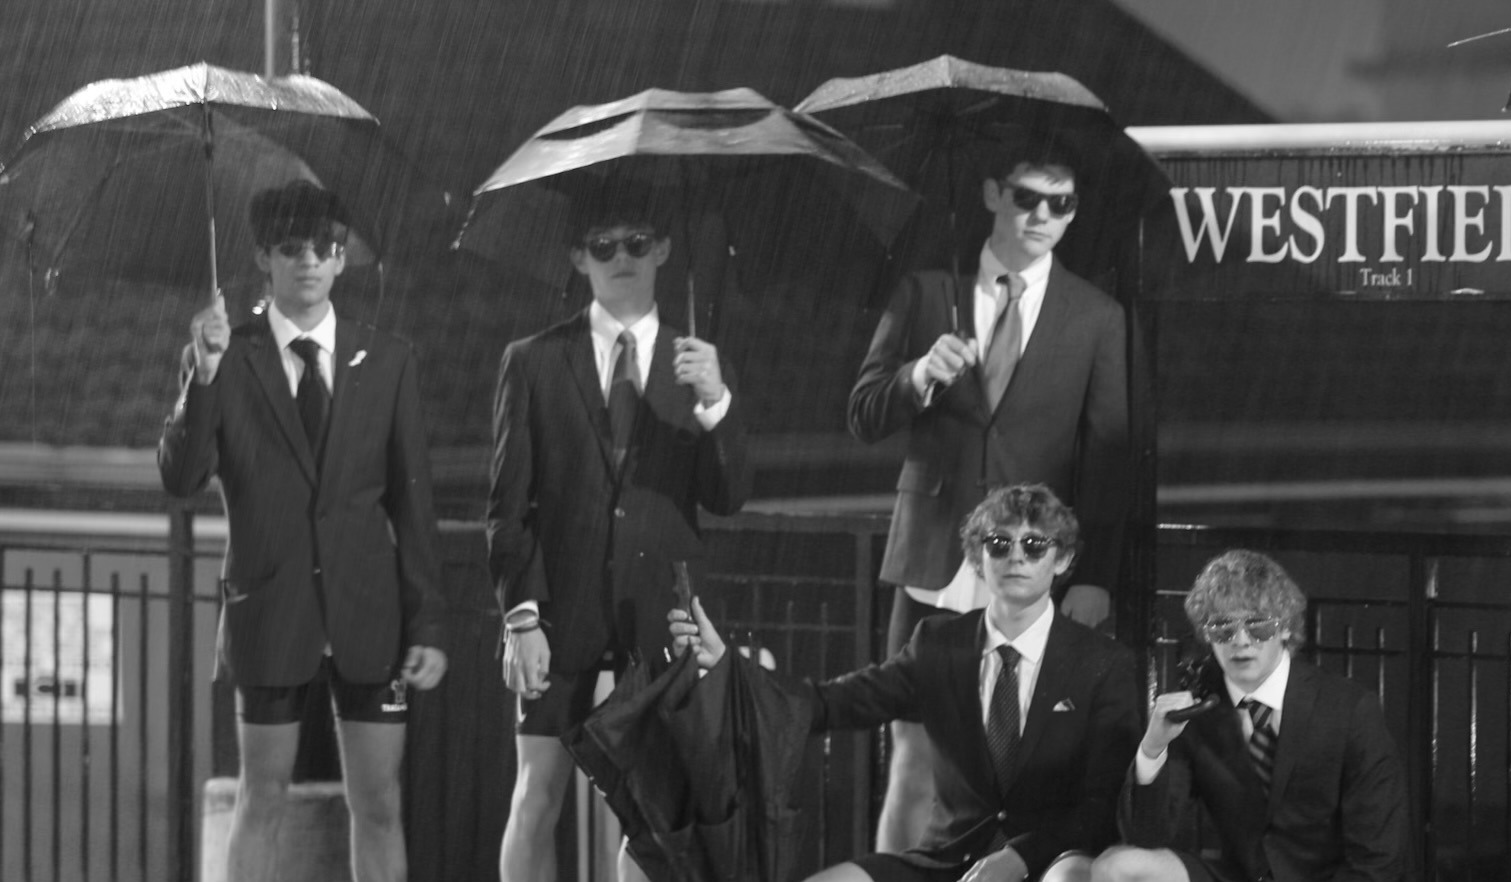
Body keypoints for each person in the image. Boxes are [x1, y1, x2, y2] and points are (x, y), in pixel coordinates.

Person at [159, 180, 449, 882]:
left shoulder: (389, 361)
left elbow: (412, 505)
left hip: (369, 614)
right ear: (264, 256)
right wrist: (202, 375)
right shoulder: (226, 357)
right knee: (262, 799)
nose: (311, 262)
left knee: (378, 802)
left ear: (343, 259)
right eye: (293, 250)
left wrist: (429, 625)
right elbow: (181, 477)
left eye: (326, 248)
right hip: (270, 609)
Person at [848, 143, 1130, 850]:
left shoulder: (1097, 317)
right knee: (910, 763)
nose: (1040, 214)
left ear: (1072, 215)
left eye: (1058, 203)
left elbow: (1110, 460)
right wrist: (918, 375)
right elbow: (862, 412)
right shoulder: (923, 293)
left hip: (1029, 570)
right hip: (933, 562)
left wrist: (1094, 576)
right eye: (1026, 196)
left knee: (1030, 775)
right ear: (991, 194)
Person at [672, 484, 1139, 882]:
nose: (1016, 556)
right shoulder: (938, 643)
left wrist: (1020, 858)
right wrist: (727, 667)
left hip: (1051, 859)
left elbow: (1101, 804)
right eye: (999, 544)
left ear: (1062, 560)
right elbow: (830, 702)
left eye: (1034, 546)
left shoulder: (1102, 662)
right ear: (978, 558)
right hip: (946, 860)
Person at [487, 182, 750, 882]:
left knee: (651, 808)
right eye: (604, 246)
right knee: (536, 796)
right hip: (560, 613)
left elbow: (729, 497)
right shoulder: (535, 360)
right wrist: (522, 618)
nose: (622, 257)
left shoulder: (698, 365)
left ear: (663, 249)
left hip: (659, 614)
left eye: (638, 242)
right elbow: (509, 509)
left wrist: (717, 403)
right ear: (579, 257)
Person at [1092, 550, 1407, 882]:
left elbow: (1378, 857)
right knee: (1116, 867)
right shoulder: (1197, 711)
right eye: (1223, 628)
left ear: (1286, 628)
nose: (1240, 641)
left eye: (1258, 626)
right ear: (1206, 635)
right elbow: (1146, 837)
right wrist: (1153, 748)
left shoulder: (1349, 709)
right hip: (1237, 875)